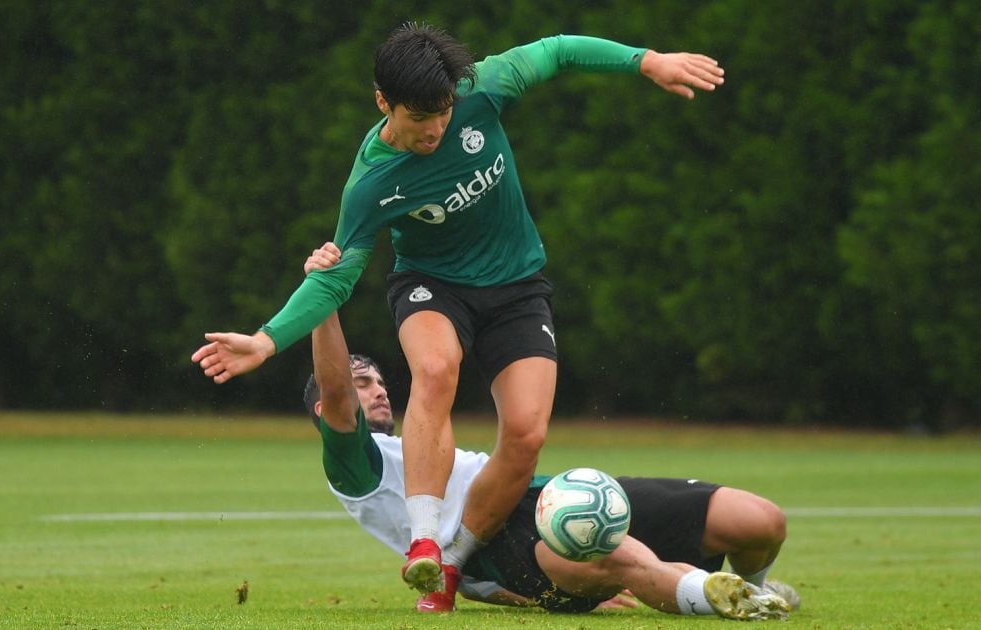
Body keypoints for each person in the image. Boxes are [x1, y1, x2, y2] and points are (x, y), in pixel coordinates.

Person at [192, 23, 727, 595]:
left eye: (444, 113)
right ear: (383, 103)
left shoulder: (483, 88)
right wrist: (266, 339)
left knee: (525, 434)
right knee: (435, 368)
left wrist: (646, 62)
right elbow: (336, 276)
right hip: (432, 285)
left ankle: (449, 563)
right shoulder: (371, 184)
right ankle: (422, 539)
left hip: (518, 288)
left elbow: (557, 50)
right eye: (420, 117)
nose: (436, 129)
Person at [301, 246, 797, 618]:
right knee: (630, 561)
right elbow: (337, 389)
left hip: (555, 494)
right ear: (325, 410)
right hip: (505, 547)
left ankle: (756, 588)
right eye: (365, 384)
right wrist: (325, 294)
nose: (379, 390)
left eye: (379, 381)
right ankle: (729, 603)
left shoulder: (413, 437)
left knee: (759, 520)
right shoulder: (352, 467)